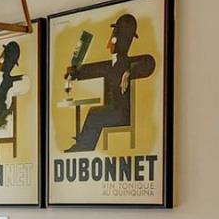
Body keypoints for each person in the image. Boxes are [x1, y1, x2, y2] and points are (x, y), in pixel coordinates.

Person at [65, 13, 155, 152]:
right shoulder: (112, 64)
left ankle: (84, 146)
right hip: (113, 111)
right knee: (95, 113)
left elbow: (149, 62)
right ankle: (83, 144)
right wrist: (76, 73)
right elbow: (95, 69)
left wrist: (129, 72)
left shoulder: (128, 63)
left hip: (121, 114)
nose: (110, 42)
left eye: (114, 37)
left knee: (95, 115)